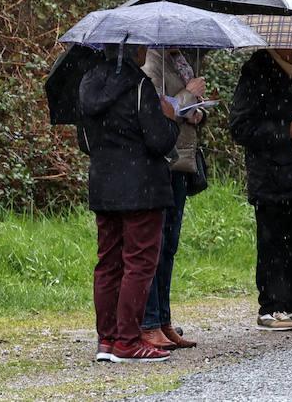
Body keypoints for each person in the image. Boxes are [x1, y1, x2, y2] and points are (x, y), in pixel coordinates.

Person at [78, 44, 180, 363]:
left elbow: (84, 141)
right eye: (143, 46)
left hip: (104, 184)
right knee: (139, 261)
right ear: (133, 49)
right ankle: (128, 340)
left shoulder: (87, 84)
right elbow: (159, 140)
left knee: (108, 262)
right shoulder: (139, 85)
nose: (146, 51)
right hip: (141, 186)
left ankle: (107, 339)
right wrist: (170, 118)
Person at [229, 49, 292, 331]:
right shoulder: (257, 70)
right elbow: (240, 126)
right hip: (271, 174)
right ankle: (270, 307)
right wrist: (283, 130)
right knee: (272, 242)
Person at [139, 48, 206, 352]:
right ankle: (150, 321)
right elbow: (157, 109)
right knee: (156, 244)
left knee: (170, 244)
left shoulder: (182, 62)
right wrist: (188, 95)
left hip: (182, 161)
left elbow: (184, 108)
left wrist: (198, 109)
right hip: (163, 160)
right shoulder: (151, 63)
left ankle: (164, 320)